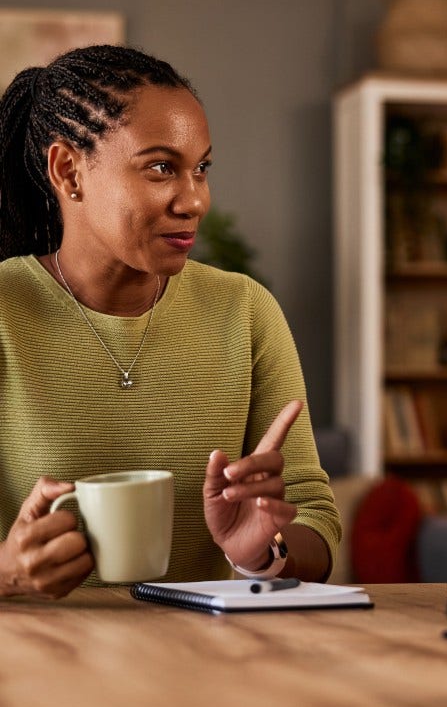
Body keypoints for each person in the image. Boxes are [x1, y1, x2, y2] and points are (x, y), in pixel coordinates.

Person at [0, 44, 341, 598]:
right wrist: (7, 569)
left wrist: (264, 552)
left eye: (201, 168)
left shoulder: (245, 311)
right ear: (69, 171)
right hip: (33, 668)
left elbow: (314, 520)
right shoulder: (5, 310)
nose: (195, 200)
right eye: (161, 168)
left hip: (201, 661)